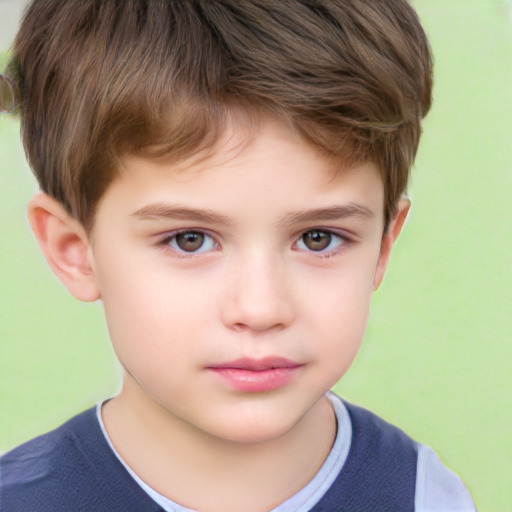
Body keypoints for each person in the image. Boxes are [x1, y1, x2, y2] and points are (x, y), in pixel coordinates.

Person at [0, 1, 476, 510]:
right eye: (189, 239)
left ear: (383, 245)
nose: (261, 309)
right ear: (75, 251)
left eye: (318, 238)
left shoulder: (426, 495)